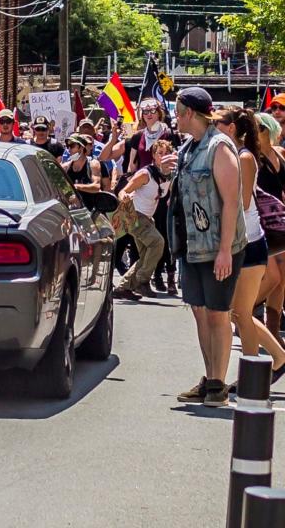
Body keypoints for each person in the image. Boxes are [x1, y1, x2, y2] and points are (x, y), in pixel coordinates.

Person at [170, 87, 247, 407]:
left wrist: (226, 250)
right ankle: (210, 377)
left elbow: (231, 202)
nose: (175, 117)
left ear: (190, 112)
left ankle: (218, 385)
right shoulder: (189, 148)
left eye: (178, 111)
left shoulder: (219, 147)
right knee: (201, 314)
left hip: (219, 247)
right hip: (191, 246)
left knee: (218, 314)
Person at [214, 106, 285, 388]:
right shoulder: (237, 154)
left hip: (248, 242)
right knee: (239, 313)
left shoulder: (243, 157)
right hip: (245, 242)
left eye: (217, 122)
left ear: (231, 128)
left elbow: (242, 204)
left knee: (239, 312)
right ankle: (272, 362)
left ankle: (257, 374)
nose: (213, 126)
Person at [101, 99, 183, 294]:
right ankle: (142, 281)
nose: (148, 114)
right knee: (156, 243)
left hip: (157, 202)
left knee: (153, 247)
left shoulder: (171, 135)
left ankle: (126, 286)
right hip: (139, 198)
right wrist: (113, 136)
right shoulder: (138, 138)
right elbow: (106, 157)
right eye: (144, 111)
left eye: (152, 110)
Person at [112, 140, 172, 301]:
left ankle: (122, 288)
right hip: (134, 216)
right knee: (158, 243)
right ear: (153, 156)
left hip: (147, 218)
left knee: (146, 255)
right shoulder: (146, 174)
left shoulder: (168, 175)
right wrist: (124, 196)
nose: (163, 157)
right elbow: (124, 190)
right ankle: (142, 281)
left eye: (166, 154)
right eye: (160, 153)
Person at [252, 111, 285, 345]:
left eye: (259, 128)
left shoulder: (280, 154)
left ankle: (272, 330)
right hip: (260, 223)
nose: (255, 133)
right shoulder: (251, 158)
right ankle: (243, 312)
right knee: (272, 277)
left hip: (280, 223)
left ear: (269, 130)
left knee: (283, 280)